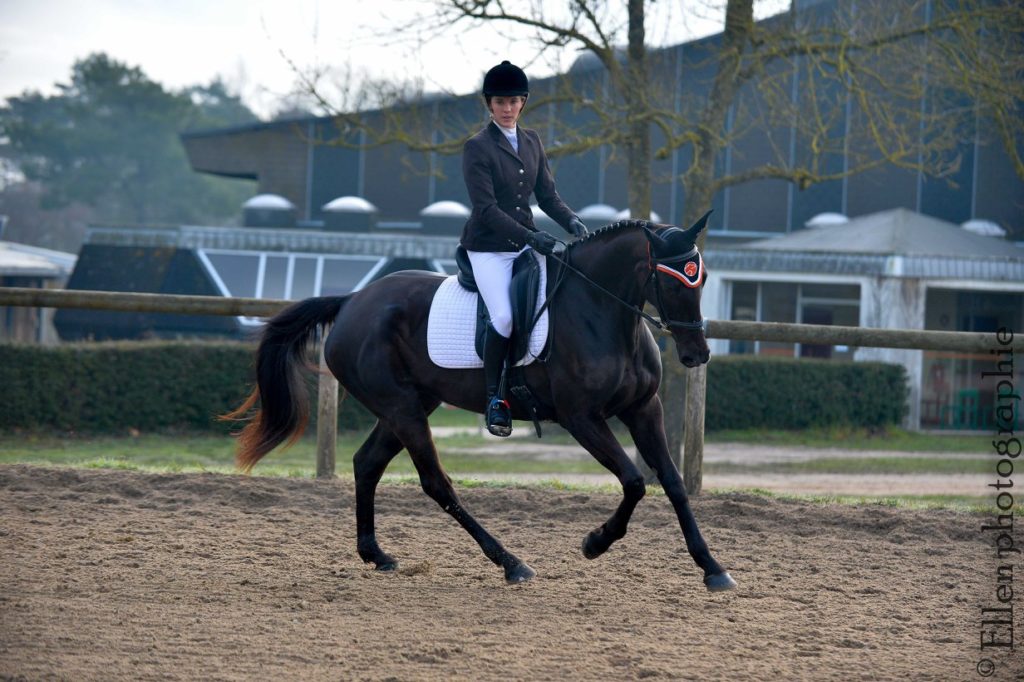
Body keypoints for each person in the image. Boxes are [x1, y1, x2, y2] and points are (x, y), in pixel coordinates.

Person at [461, 60, 588, 437]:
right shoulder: (477, 147)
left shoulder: (532, 140)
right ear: (489, 103)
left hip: (524, 245)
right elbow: (486, 210)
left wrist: (571, 221)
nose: (508, 107)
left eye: (515, 100)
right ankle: (494, 399)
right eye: (500, 101)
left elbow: (547, 195)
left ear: (523, 102)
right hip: (488, 249)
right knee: (502, 317)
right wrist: (533, 237)